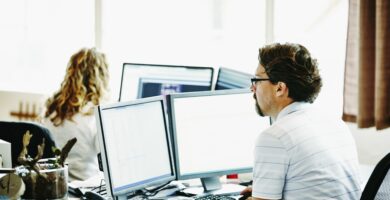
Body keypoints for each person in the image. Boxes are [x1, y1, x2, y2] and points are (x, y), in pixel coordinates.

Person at [241, 43, 361, 199]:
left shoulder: (275, 137)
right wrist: (263, 190)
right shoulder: (335, 123)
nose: (253, 88)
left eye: (256, 80)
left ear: (280, 88)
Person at [42, 48, 110, 181]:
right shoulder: (95, 114)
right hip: (84, 189)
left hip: (55, 186)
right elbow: (109, 163)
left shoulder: (52, 109)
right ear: (101, 76)